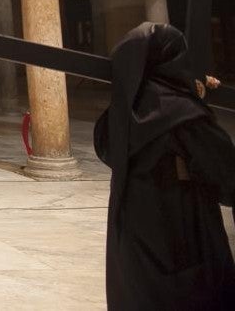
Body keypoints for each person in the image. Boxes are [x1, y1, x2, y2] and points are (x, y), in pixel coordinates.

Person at [94, 22, 235, 310]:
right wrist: (195, 103)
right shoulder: (182, 113)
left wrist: (190, 95)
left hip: (133, 233)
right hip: (181, 229)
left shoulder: (118, 117)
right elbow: (226, 171)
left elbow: (106, 149)